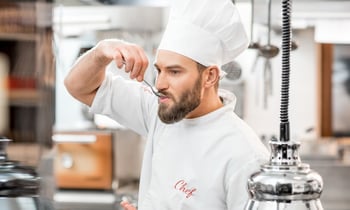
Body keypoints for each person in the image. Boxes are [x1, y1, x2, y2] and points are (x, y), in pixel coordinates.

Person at [64, 0, 269, 209]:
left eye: (174, 72)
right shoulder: (158, 109)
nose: (160, 83)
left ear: (210, 76)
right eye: (159, 70)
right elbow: (78, 86)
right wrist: (102, 51)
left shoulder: (246, 156)